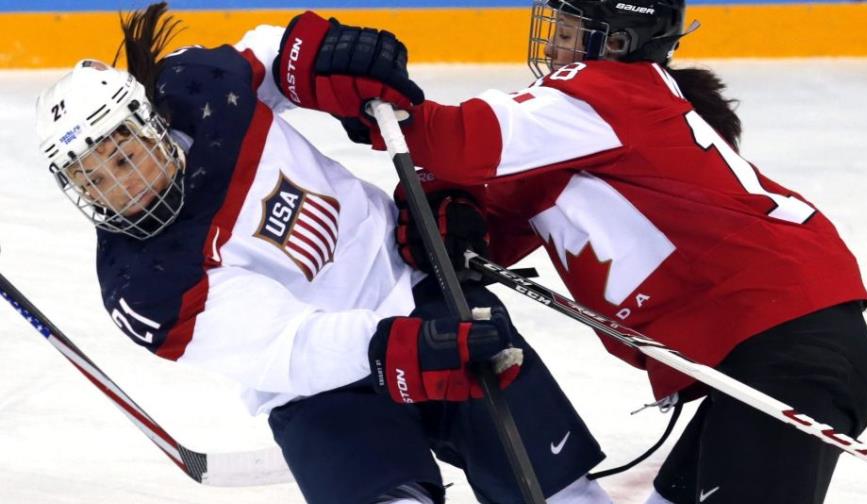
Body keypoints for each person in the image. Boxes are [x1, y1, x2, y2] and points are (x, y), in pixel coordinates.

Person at [304, 0, 867, 503]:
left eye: (567, 30)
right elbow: (489, 216)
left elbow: (455, 142)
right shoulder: (571, 144)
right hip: (780, 349)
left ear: (616, 38)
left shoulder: (607, 92)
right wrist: (454, 219)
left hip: (790, 348)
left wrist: (359, 88)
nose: (554, 44)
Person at [32, 3, 612, 503]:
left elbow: (266, 59)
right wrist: (396, 346)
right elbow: (290, 346)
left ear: (151, 123)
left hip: (418, 288)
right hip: (321, 394)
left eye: (124, 155)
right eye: (95, 178)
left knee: (562, 492)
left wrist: (318, 60)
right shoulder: (147, 283)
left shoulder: (199, 90)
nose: (122, 184)